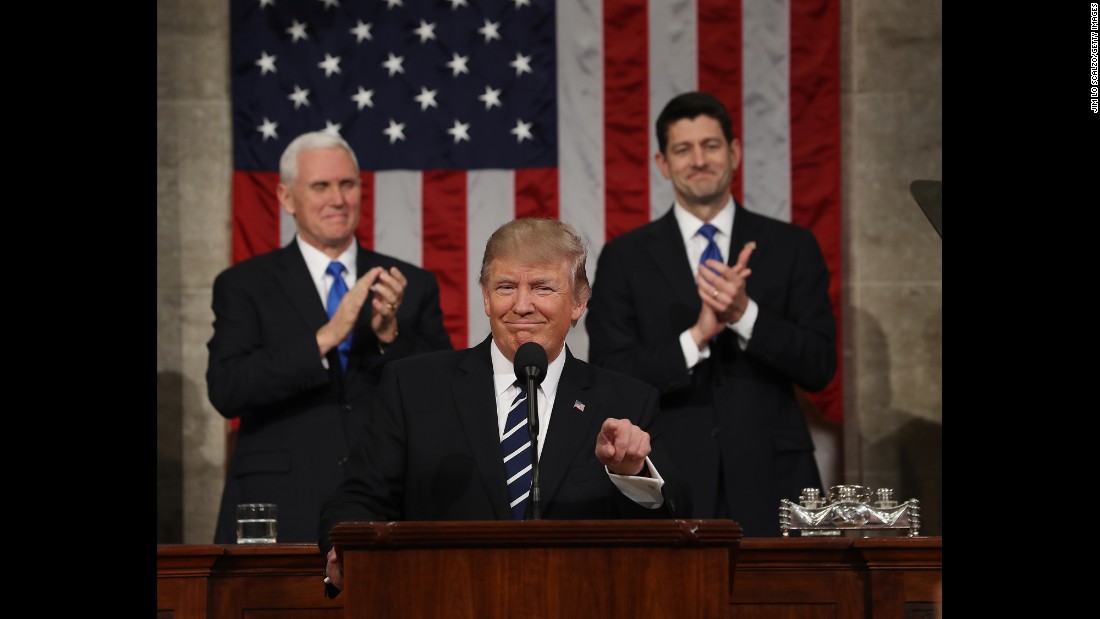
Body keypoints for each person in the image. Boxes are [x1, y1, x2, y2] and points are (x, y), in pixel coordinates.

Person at [318, 217, 691, 594]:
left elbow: (673, 523)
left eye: (543, 287)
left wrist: (631, 473)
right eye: (506, 287)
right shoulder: (413, 387)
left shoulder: (624, 400)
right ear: (485, 296)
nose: (522, 305)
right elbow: (358, 497)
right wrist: (344, 549)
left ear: (579, 303)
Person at [584, 91, 837, 537]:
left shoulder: (792, 246)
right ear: (663, 163)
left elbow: (819, 365)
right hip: (670, 477)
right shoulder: (625, 257)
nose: (698, 160)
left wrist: (745, 314)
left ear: (734, 153)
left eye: (711, 145)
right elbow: (611, 371)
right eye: (683, 149)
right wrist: (696, 337)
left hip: (775, 482)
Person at [206, 131, 453, 544]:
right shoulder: (244, 285)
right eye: (320, 186)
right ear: (287, 199)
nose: (337, 199)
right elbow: (227, 388)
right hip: (280, 505)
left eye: (347, 184)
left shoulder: (410, 284)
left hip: (385, 502)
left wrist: (391, 336)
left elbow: (444, 394)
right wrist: (325, 337)